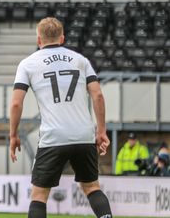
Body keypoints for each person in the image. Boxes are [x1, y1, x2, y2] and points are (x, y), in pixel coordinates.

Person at [9, 17, 113, 218]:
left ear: (39, 40)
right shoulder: (80, 60)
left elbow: (15, 103)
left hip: (53, 136)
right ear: (62, 38)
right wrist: (101, 131)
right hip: (84, 135)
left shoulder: (28, 63)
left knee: (39, 195)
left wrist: (13, 135)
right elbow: (98, 95)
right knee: (92, 187)